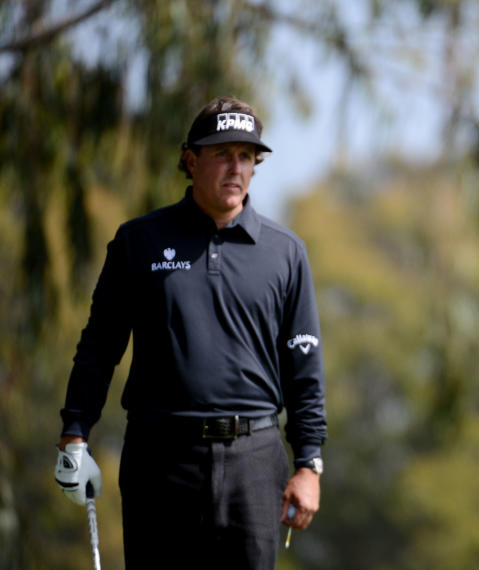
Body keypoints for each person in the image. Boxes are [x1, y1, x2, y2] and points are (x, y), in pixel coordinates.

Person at [54, 96, 327, 568]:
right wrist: (75, 433)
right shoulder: (139, 242)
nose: (235, 167)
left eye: (245, 156)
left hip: (255, 462)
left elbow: (304, 365)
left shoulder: (286, 252)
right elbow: (100, 347)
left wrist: (308, 463)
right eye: (222, 153)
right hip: (160, 458)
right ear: (190, 160)